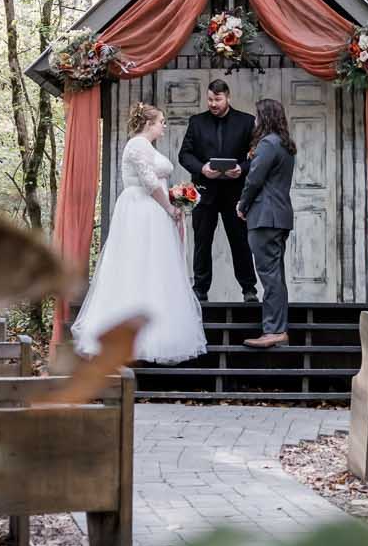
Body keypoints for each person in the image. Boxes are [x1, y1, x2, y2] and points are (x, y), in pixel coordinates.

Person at [74, 102, 208, 363]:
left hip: (152, 208)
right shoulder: (137, 145)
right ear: (149, 124)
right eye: (161, 122)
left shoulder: (147, 146)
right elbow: (148, 182)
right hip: (140, 208)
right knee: (137, 263)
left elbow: (157, 180)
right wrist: (170, 207)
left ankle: (157, 329)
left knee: (155, 267)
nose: (164, 126)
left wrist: (178, 199)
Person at [175, 78, 258, 304]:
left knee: (241, 243)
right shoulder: (196, 122)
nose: (213, 104)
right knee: (202, 243)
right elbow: (185, 155)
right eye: (210, 99)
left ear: (228, 98)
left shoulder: (247, 122)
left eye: (217, 99)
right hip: (204, 193)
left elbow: (257, 155)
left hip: (236, 194)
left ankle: (249, 289)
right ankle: (200, 291)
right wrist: (202, 168)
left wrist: (241, 168)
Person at [237, 97, 296, 349]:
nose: (255, 121)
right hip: (279, 216)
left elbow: (254, 179)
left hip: (265, 217)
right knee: (276, 275)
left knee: (270, 276)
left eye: (258, 116)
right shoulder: (285, 145)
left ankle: (274, 330)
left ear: (265, 118)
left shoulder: (267, 144)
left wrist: (242, 204)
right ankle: (278, 329)